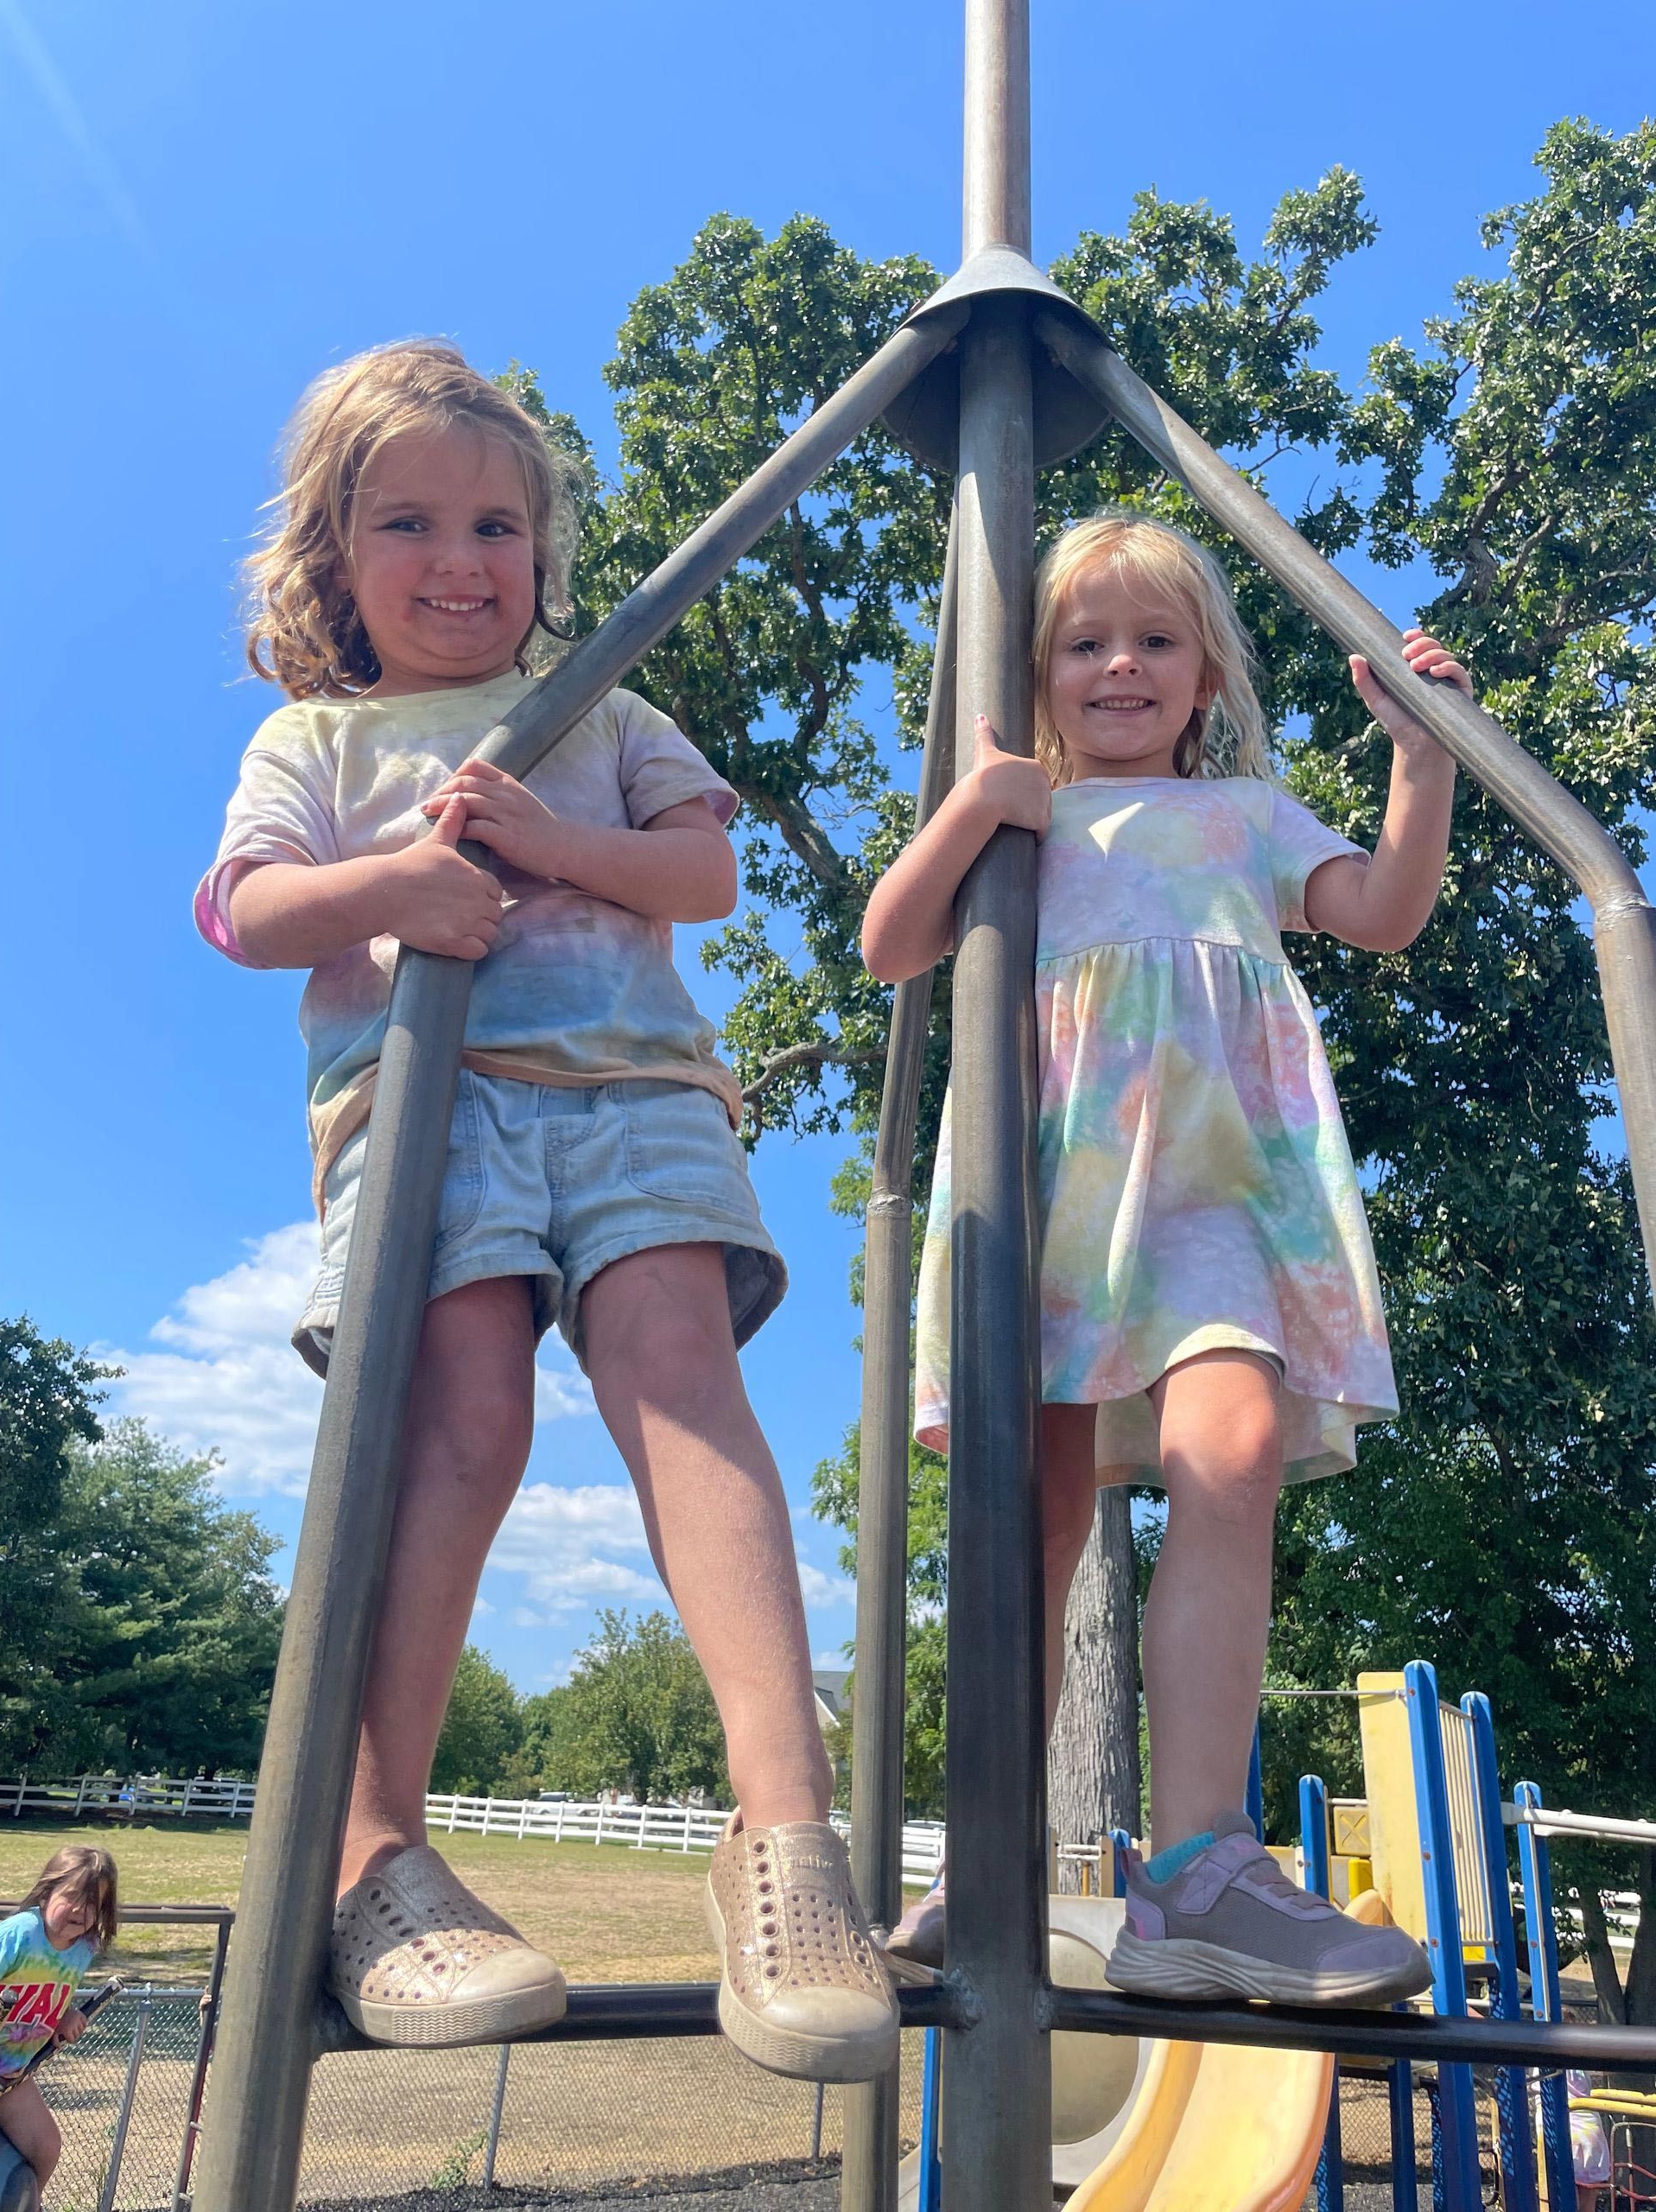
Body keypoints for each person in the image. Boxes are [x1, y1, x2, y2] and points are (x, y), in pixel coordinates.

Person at [197, 340, 896, 2082]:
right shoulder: (318, 734)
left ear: (544, 552)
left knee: (682, 1380)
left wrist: (550, 841)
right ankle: (376, 1855)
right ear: (332, 560)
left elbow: (705, 870)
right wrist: (396, 883)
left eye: (498, 523)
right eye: (410, 521)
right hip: (426, 1113)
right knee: (464, 1420)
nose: (461, 559)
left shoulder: (606, 709)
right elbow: (248, 909)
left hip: (635, 1091)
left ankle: (786, 1841)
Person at [864, 510, 1465, 2004]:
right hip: (1048, 1184)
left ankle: (1200, 1861)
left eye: (1155, 640)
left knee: (1236, 1443)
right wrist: (968, 806)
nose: (1119, 665)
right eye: (1084, 642)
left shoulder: (1247, 815)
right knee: (1038, 1504)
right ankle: (992, 1844)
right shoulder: (1022, 826)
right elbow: (891, 944)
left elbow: (1384, 913)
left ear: (1205, 674)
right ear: (1040, 671)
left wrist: (1424, 757)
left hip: (1212, 1189)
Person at [0, 1848, 118, 2194]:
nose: (81, 1910)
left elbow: (52, 1994)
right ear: (47, 1892)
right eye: (72, 1896)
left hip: (12, 2074)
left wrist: (64, 2014)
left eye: (93, 1902)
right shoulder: (19, 1934)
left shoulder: (84, 1948)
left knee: (45, 2147)